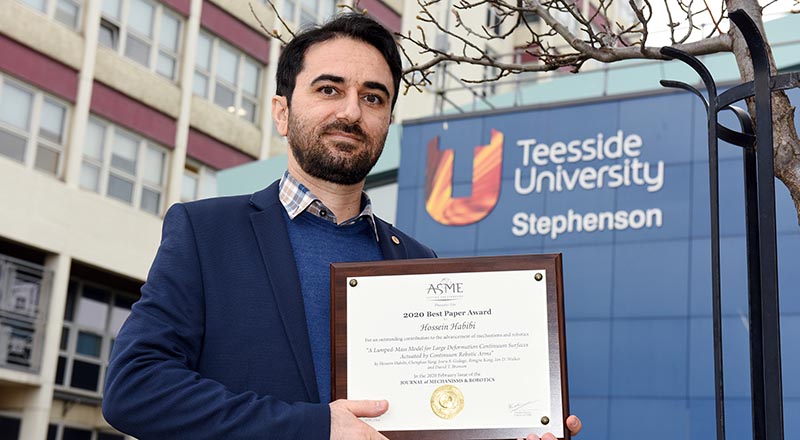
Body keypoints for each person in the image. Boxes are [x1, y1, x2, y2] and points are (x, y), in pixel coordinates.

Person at [102, 13, 581, 440]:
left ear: (387, 121)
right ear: (282, 112)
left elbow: (434, 420)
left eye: (372, 97)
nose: (351, 112)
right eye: (329, 90)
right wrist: (315, 428)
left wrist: (509, 429)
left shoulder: (418, 262)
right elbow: (135, 388)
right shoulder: (207, 233)